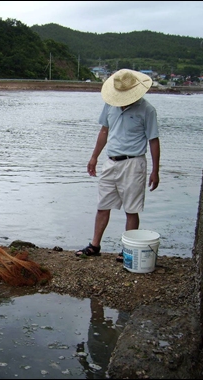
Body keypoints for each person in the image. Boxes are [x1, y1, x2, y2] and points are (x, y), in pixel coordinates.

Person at [75, 69, 160, 261]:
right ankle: (95, 245)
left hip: (134, 162)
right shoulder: (110, 104)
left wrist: (155, 170)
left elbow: (153, 140)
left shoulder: (147, 110)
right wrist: (94, 157)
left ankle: (127, 249)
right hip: (111, 161)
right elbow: (104, 131)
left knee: (131, 208)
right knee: (103, 205)